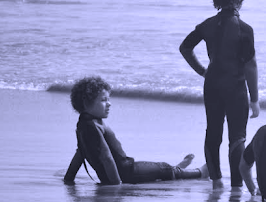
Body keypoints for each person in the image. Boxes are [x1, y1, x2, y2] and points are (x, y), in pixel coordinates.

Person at [180, 0, 260, 190]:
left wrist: (203, 71)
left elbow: (185, 48)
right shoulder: (245, 29)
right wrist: (254, 99)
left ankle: (216, 181)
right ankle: (236, 186)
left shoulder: (206, 25)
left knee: (213, 131)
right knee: (237, 136)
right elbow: (250, 65)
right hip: (235, 87)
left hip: (212, 84)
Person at [63, 76, 209, 185]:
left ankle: (178, 169)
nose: (109, 104)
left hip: (115, 174)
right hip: (127, 172)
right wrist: (117, 184)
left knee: (161, 171)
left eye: (109, 99)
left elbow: (80, 154)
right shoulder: (93, 126)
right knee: (164, 169)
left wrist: (68, 178)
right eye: (103, 100)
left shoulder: (82, 125)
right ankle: (200, 173)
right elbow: (106, 158)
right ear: (86, 103)